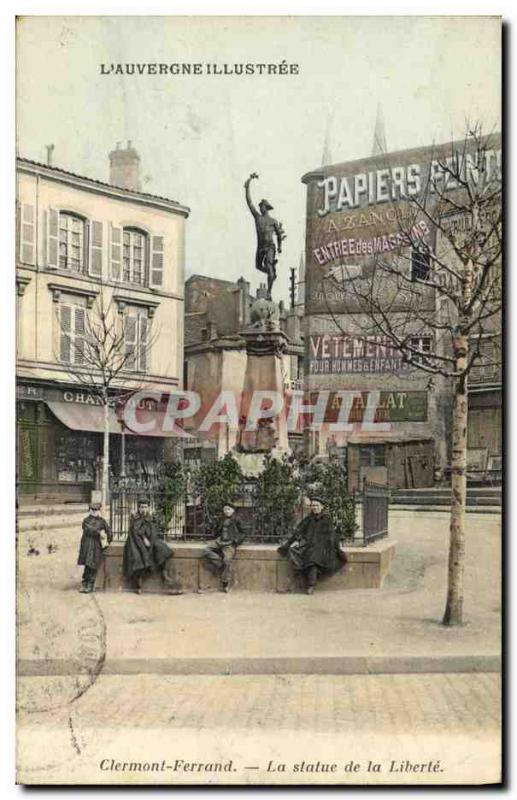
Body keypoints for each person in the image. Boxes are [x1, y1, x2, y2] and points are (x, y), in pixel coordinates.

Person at [277, 497, 348, 594]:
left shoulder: (327, 519)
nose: (314, 507)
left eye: (317, 505)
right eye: (313, 505)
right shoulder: (309, 518)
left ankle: (311, 585)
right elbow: (299, 531)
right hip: (309, 545)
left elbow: (332, 536)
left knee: (313, 557)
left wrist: (336, 548)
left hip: (323, 547)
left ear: (322, 507)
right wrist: (296, 540)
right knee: (293, 552)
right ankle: (294, 584)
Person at [122, 497, 181, 594]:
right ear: (138, 508)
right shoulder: (135, 517)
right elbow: (135, 531)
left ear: (148, 508)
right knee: (138, 557)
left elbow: (155, 530)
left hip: (150, 540)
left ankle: (166, 577)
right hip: (135, 542)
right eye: (141, 507)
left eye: (145, 507)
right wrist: (144, 538)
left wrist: (151, 540)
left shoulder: (151, 517)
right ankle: (138, 584)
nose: (143, 509)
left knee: (162, 549)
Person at [244, 172, 286, 299]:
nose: (260, 208)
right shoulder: (258, 218)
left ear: (265, 207)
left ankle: (269, 291)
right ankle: (271, 271)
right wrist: (248, 185)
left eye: (261, 206)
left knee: (268, 268)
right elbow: (249, 202)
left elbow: (279, 234)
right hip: (260, 246)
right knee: (258, 266)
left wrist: (279, 247)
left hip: (269, 246)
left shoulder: (273, 221)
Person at [202, 503, 246, 592]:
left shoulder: (237, 519)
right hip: (219, 541)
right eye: (225, 509)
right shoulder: (221, 519)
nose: (226, 511)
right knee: (206, 550)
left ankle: (225, 582)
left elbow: (243, 532)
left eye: (228, 509)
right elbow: (217, 530)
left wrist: (236, 541)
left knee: (227, 560)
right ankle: (220, 564)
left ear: (233, 510)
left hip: (229, 543)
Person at [77, 502, 112, 593]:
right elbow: (88, 528)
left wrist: (108, 540)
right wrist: (98, 532)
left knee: (92, 565)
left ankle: (90, 584)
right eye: (92, 510)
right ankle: (85, 583)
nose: (94, 512)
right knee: (87, 564)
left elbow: (109, 531)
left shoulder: (102, 521)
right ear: (89, 510)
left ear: (99, 511)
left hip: (96, 546)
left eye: (96, 510)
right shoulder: (86, 520)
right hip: (87, 545)